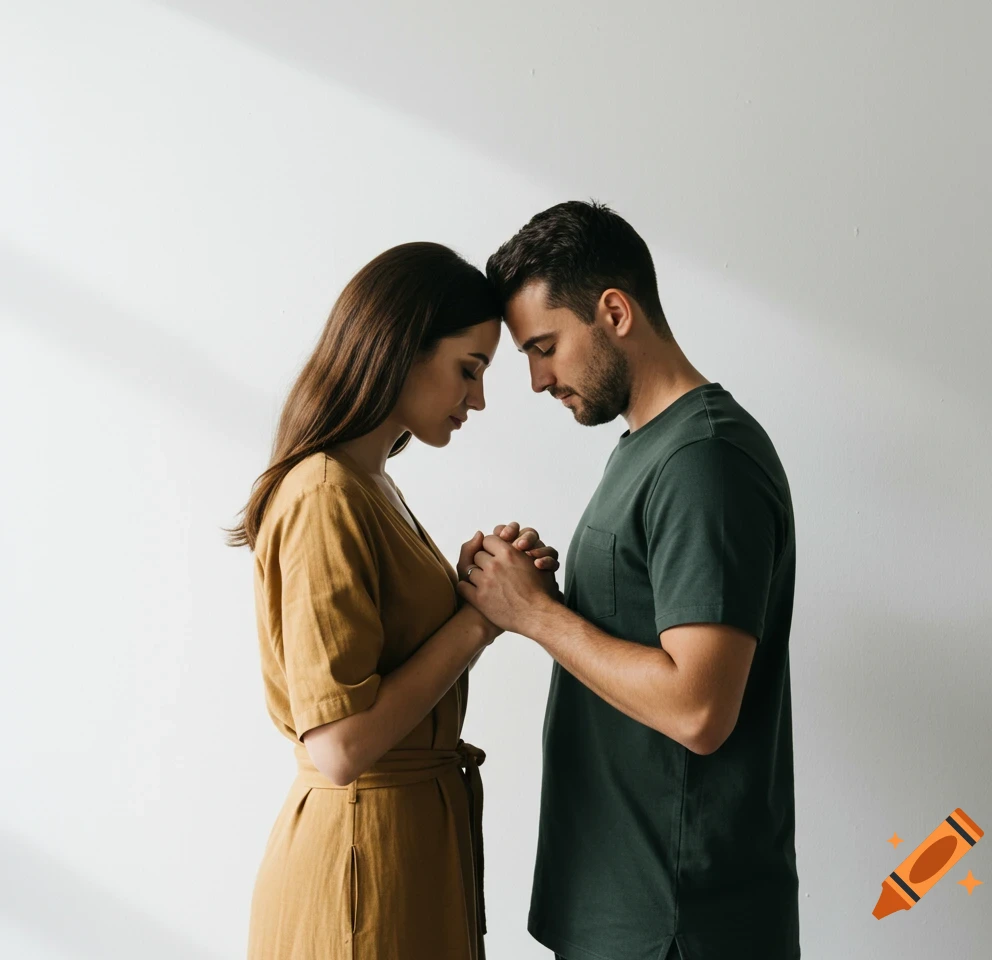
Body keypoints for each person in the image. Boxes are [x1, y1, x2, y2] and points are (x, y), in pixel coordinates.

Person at [458, 202, 800, 960]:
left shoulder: (704, 461)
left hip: (679, 925)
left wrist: (536, 617)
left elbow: (698, 707)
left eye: (544, 347)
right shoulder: (648, 449)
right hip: (627, 911)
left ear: (614, 311)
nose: (538, 379)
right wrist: (544, 593)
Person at [228, 242, 560, 960]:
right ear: (403, 348)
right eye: (468, 370)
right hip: (358, 864)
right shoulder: (323, 492)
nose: (477, 399)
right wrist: (478, 620)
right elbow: (340, 746)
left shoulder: (369, 486)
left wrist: (475, 585)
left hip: (399, 851)